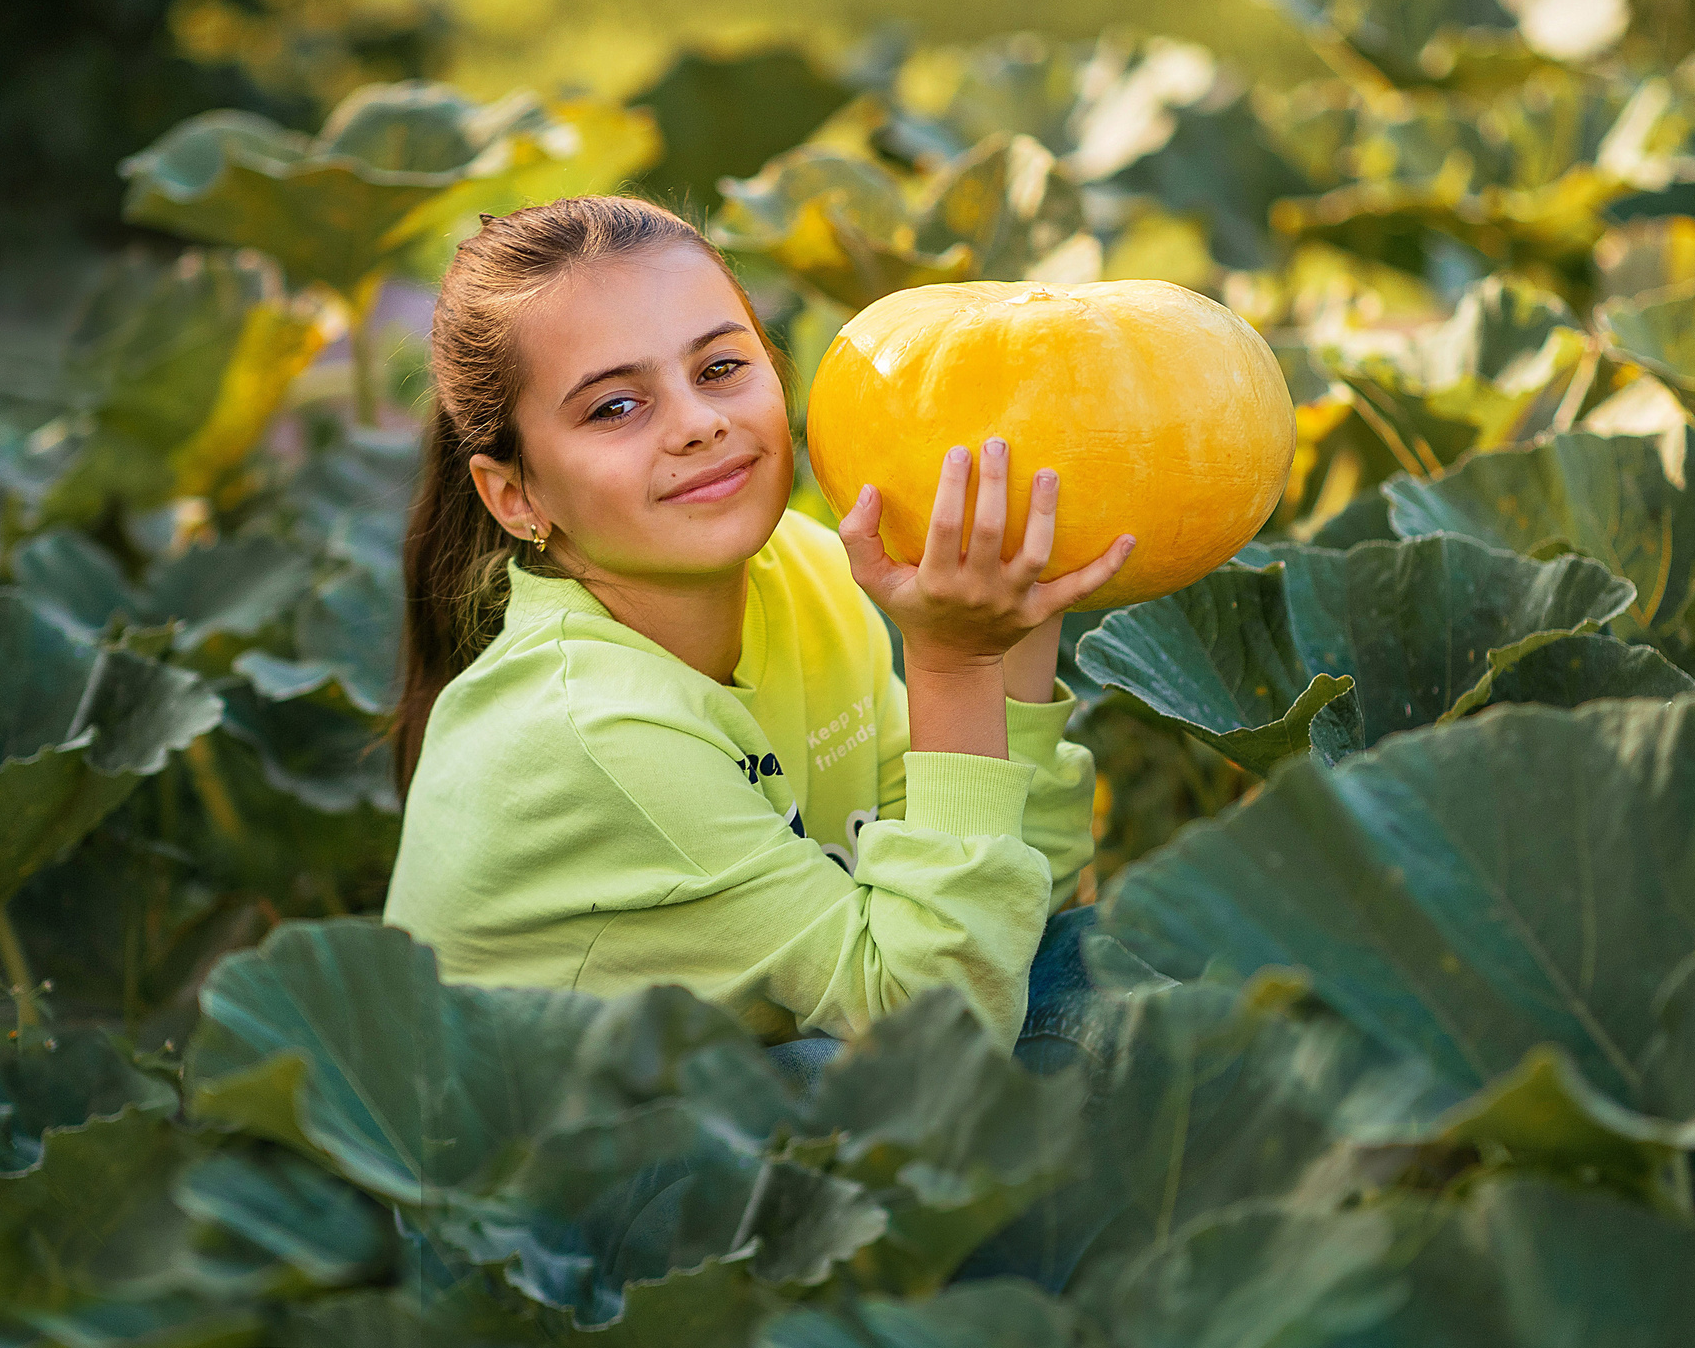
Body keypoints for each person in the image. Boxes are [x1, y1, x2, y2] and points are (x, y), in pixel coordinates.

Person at [381, 194, 1132, 1084]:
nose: (697, 421)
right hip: (539, 1183)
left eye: (722, 366)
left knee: (1094, 967)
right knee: (845, 1073)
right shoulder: (595, 729)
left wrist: (1021, 622)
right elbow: (937, 1033)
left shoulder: (807, 572)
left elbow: (1013, 904)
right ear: (516, 497)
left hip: (728, 1095)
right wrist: (954, 661)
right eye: (616, 407)